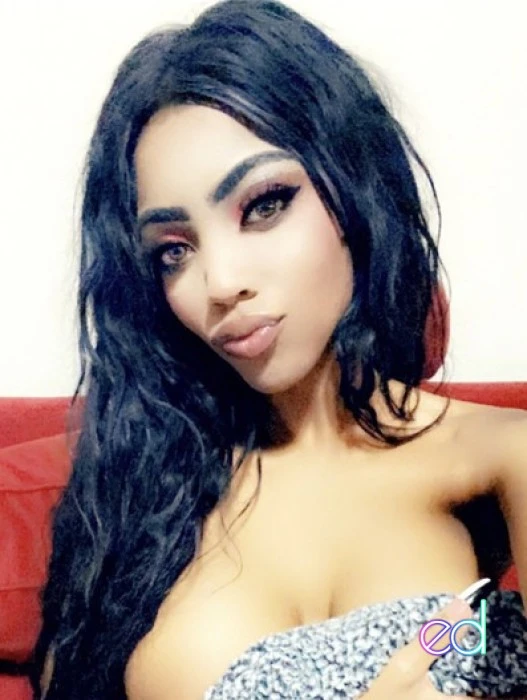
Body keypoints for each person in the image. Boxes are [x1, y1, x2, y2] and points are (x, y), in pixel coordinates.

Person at [31, 0, 527, 698]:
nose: (220, 283)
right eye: (173, 250)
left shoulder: (502, 454)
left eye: (263, 205)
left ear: (353, 188)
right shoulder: (135, 494)